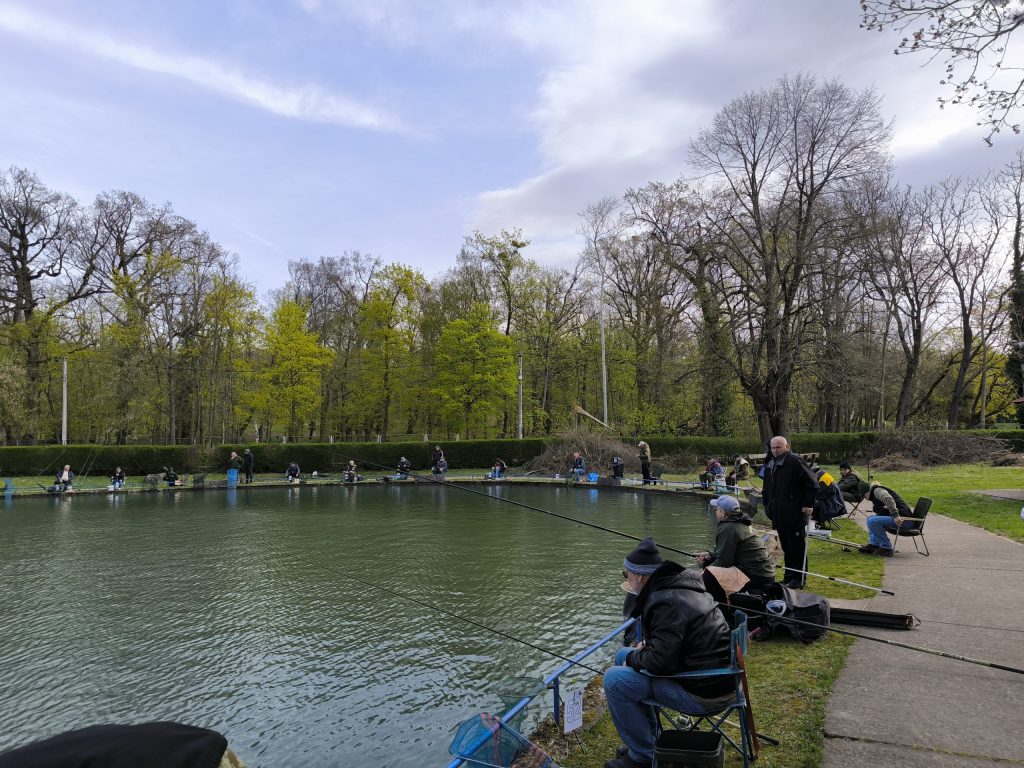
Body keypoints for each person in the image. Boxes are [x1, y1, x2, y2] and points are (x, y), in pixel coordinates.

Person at [604, 537, 734, 768]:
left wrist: (635, 658)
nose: (627, 580)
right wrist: (637, 654)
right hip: (715, 677)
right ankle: (647, 741)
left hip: (704, 692)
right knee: (622, 654)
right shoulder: (679, 588)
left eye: (627, 575)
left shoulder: (666, 601)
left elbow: (660, 663)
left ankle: (643, 757)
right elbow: (671, 645)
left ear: (640, 576)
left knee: (614, 680)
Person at [761, 435, 817, 589]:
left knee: (796, 547)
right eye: (773, 447)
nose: (775, 450)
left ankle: (799, 578)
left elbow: (812, 483)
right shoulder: (771, 463)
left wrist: (808, 504)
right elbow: (766, 488)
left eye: (778, 447)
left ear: (787, 447)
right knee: (786, 546)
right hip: (778, 513)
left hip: (794, 512)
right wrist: (767, 505)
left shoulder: (795, 461)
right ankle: (788, 576)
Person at [695, 496, 775, 592]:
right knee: (709, 563)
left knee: (707, 575)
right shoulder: (742, 522)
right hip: (765, 574)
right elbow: (728, 554)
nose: (715, 511)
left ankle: (718, 601)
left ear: (722, 513)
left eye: (716, 509)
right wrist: (710, 555)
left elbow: (724, 562)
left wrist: (703, 570)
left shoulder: (728, 528)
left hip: (756, 577)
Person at [859, 481, 914, 557]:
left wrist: (896, 516)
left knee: (872, 521)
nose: (866, 499)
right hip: (901, 519)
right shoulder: (875, 492)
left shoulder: (877, 491)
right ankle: (874, 544)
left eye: (864, 496)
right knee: (870, 518)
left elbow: (889, 499)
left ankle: (886, 547)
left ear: (867, 492)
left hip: (904, 520)